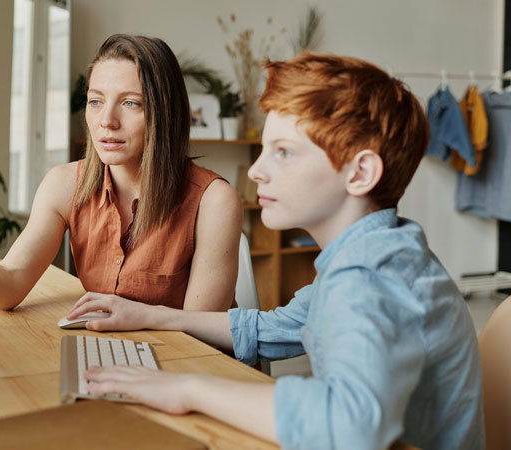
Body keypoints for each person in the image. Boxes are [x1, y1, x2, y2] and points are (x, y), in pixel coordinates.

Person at [68, 53, 485, 449]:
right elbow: (274, 328)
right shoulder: (379, 251)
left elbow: (350, 425)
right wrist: (152, 316)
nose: (255, 170)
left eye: (283, 152)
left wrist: (189, 388)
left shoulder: (370, 277)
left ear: (360, 173)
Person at [0, 34, 242, 312]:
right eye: (96, 101)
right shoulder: (65, 184)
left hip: (190, 374)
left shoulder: (214, 201)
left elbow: (200, 336)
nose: (106, 121)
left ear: (165, 114)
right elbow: (10, 283)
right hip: (116, 360)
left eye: (131, 103)